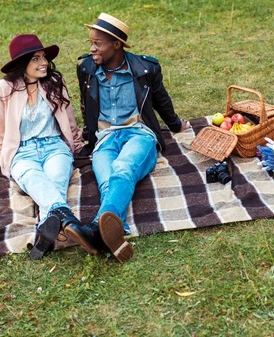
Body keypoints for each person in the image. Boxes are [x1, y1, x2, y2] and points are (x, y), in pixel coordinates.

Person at [69, 13, 191, 263]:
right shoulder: (87, 67)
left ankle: (94, 231)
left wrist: (175, 125)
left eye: (98, 43)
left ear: (116, 44)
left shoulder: (145, 69)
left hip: (139, 134)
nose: (92, 48)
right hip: (104, 138)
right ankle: (112, 233)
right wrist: (87, 135)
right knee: (108, 183)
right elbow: (85, 104)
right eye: (90, 42)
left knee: (122, 170)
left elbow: (161, 100)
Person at [0, 34, 86, 259]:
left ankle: (46, 231)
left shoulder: (54, 83)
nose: (43, 63)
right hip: (22, 152)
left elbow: (70, 121)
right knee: (33, 177)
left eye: (44, 58)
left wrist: (77, 145)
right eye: (36, 59)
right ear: (22, 64)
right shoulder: (5, 88)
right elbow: (0, 128)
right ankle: (68, 219)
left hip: (55, 148)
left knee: (53, 183)